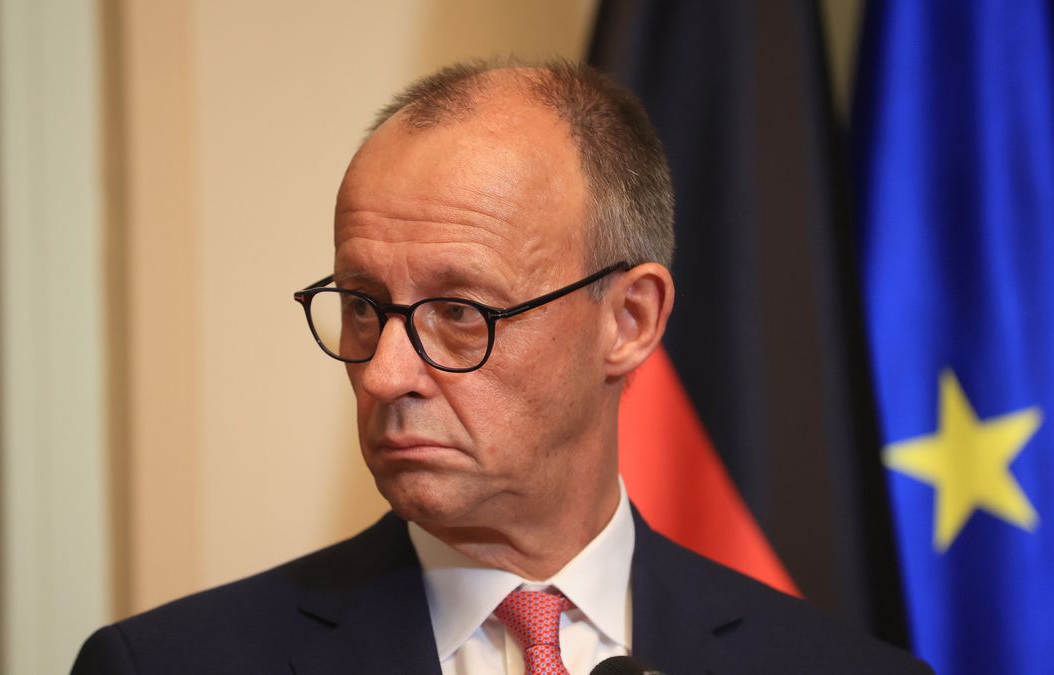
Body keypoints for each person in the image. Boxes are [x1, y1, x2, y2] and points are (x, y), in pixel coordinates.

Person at [72, 59, 931, 675]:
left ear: (629, 320)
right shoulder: (164, 663)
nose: (382, 376)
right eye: (364, 305)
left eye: (460, 314)